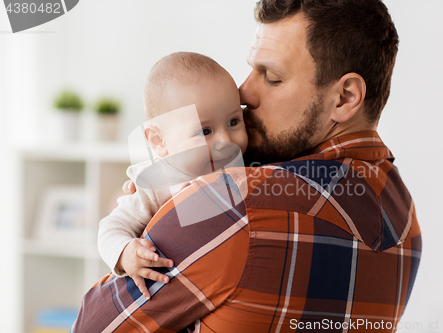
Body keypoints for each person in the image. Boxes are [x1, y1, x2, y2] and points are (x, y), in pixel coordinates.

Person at [72, 0, 422, 332]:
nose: (242, 93)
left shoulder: (234, 202)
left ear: (345, 97)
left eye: (271, 77)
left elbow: (92, 325)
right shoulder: (404, 217)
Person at [97, 52, 248, 300]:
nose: (226, 140)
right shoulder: (155, 184)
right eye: (205, 130)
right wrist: (126, 253)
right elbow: (111, 228)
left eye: (233, 122)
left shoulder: (246, 164)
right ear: (159, 141)